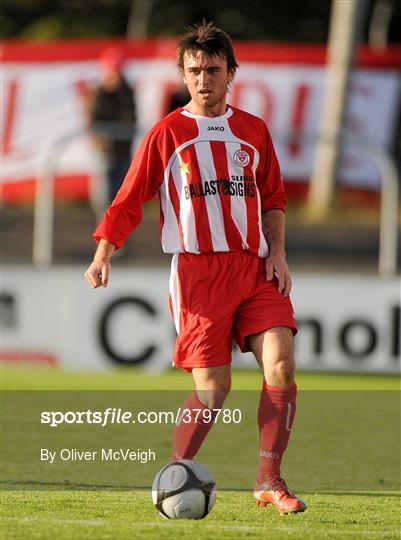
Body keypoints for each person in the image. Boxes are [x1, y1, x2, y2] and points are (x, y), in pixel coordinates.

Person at [84, 22, 307, 515]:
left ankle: (269, 479)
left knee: (282, 364)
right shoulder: (168, 134)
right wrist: (103, 253)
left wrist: (278, 252)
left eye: (212, 69)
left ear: (231, 73)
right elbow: (128, 199)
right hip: (198, 275)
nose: (203, 78)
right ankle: (175, 474)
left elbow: (273, 197)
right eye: (194, 70)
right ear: (183, 76)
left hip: (254, 268)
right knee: (213, 388)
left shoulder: (253, 131)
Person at [90, 47, 137, 204]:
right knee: (105, 194)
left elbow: (131, 117)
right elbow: (95, 121)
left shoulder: (127, 92)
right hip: (106, 150)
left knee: (123, 193)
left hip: (124, 150)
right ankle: (105, 225)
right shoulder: (99, 93)